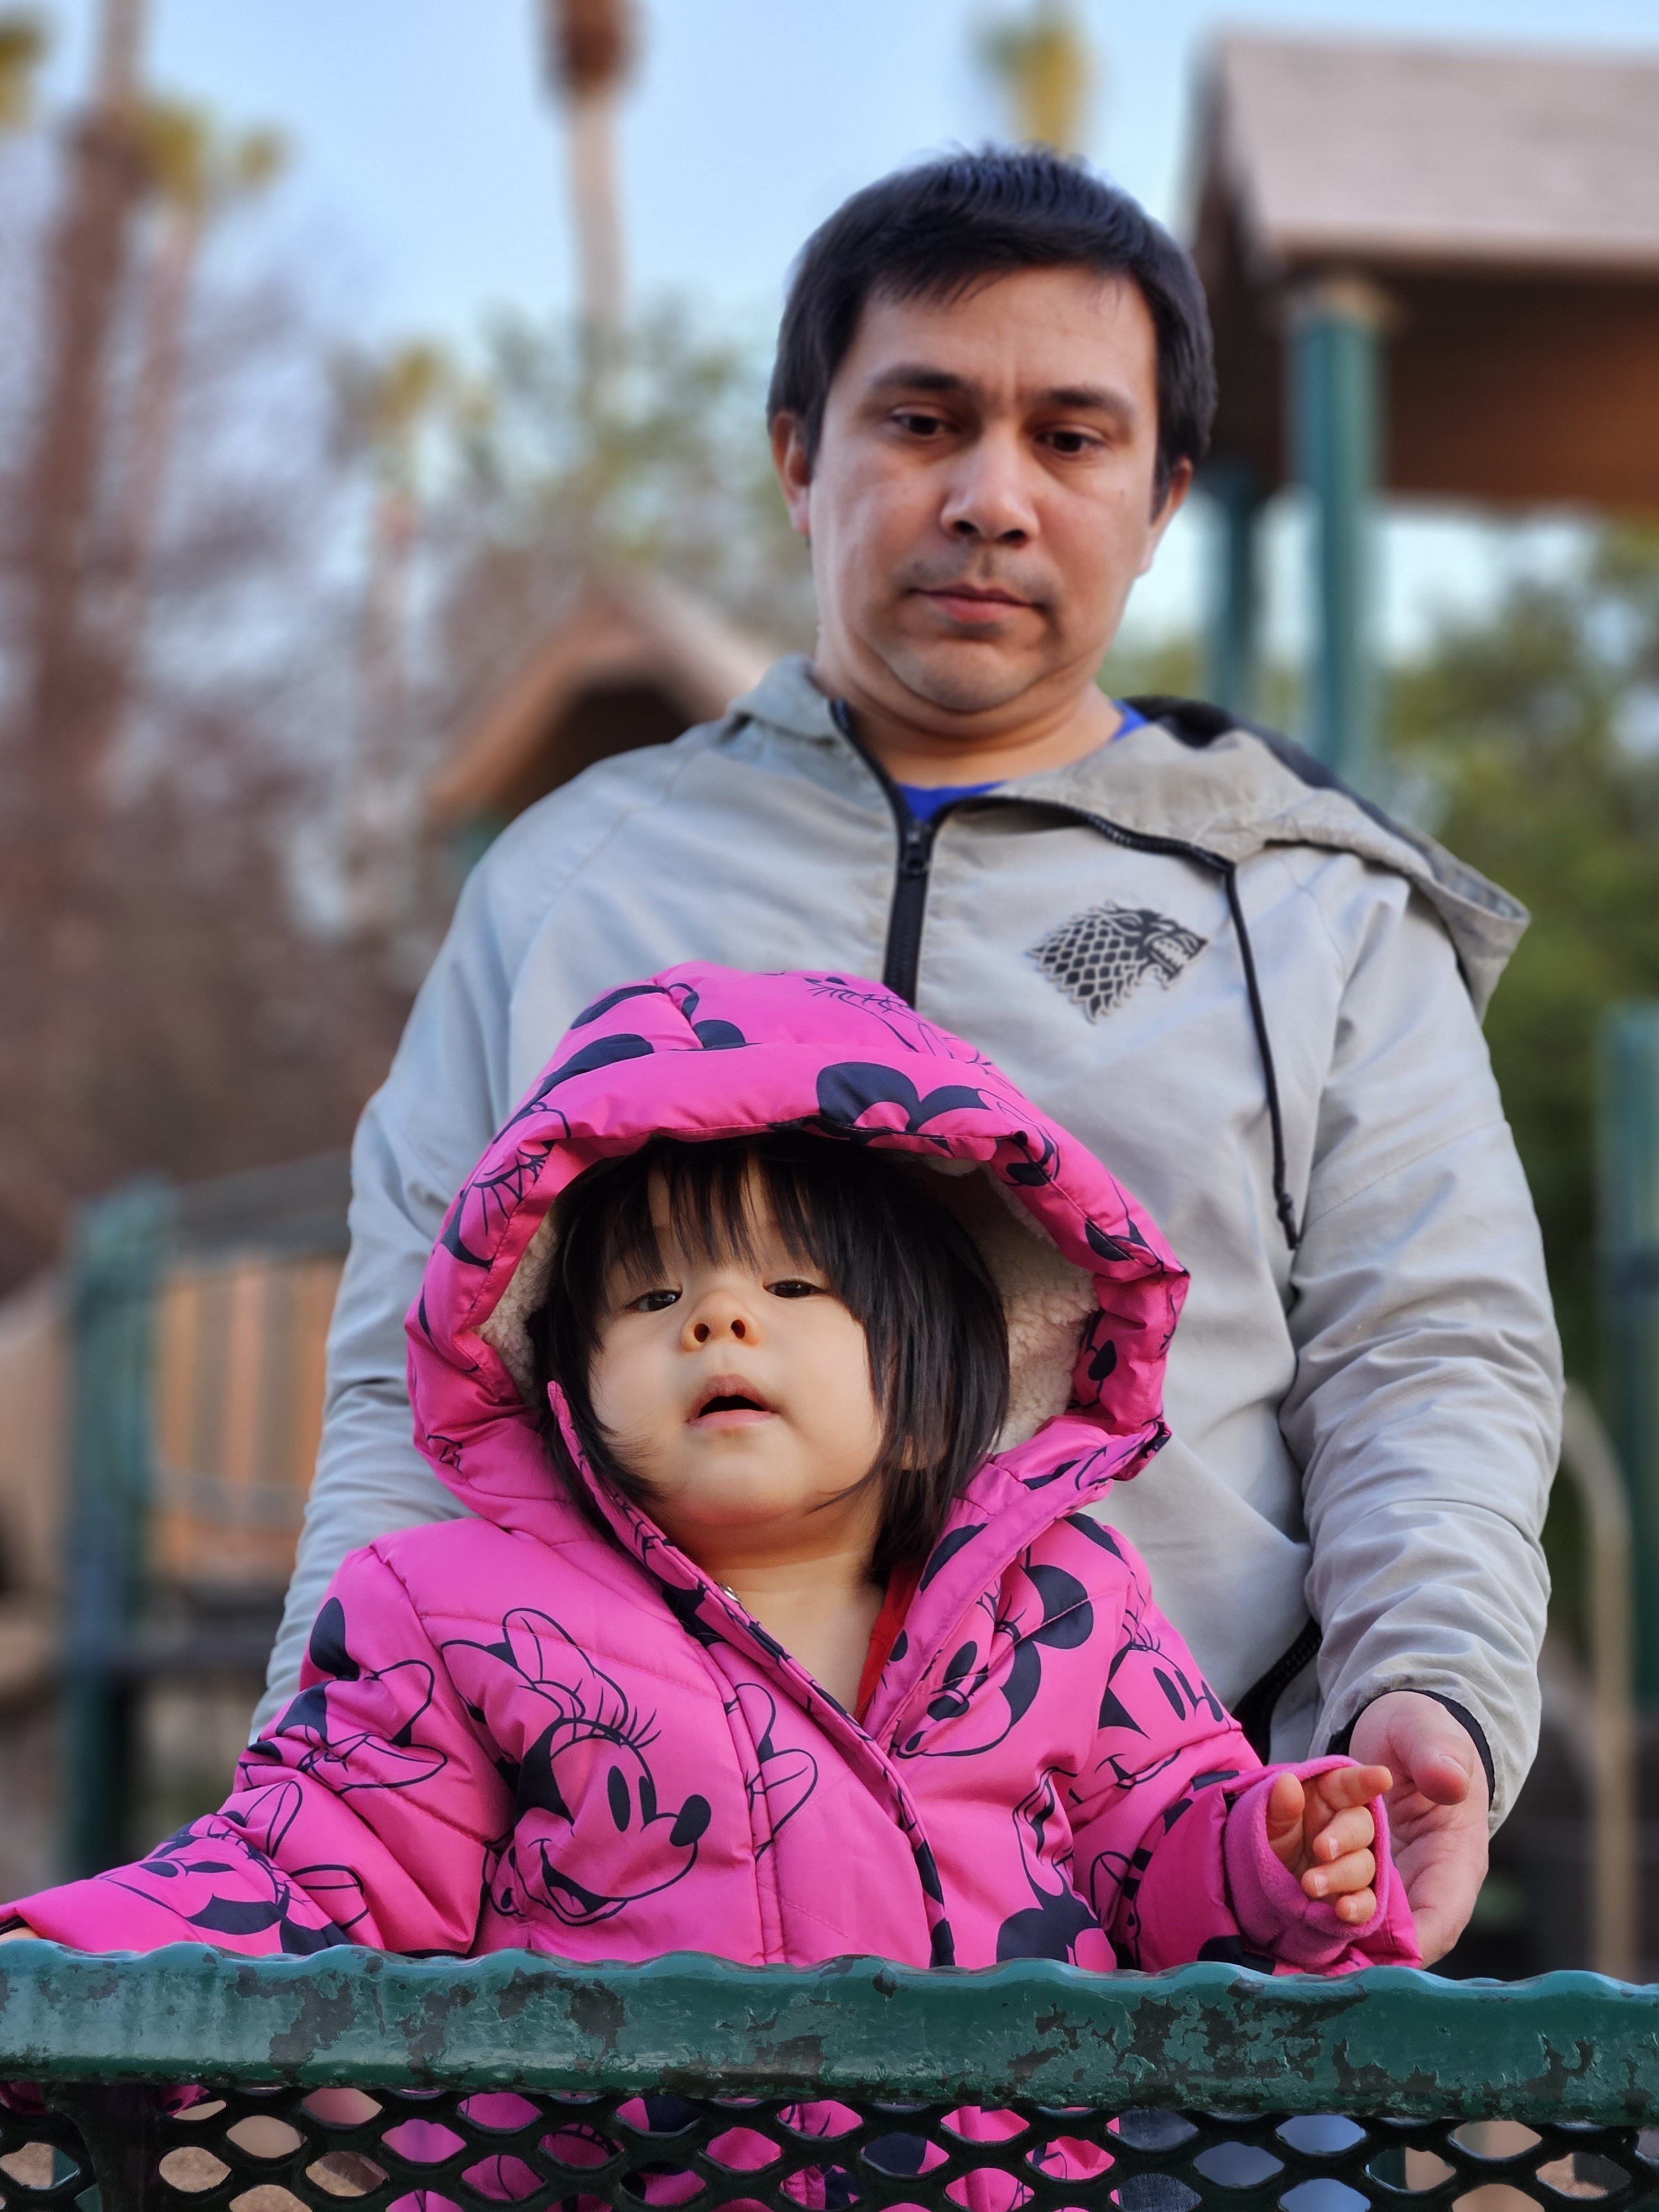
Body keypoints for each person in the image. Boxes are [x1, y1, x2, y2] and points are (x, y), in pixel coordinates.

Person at [259, 148, 1561, 1965]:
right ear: (802, 454)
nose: (992, 497)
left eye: (1074, 438)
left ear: (1167, 489)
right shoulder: (574, 881)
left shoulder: (1319, 913)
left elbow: (1428, 1349)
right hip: (617, 1959)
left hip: (1192, 1930)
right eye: (924, 419)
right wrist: (315, 1794)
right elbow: (423, 1383)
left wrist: (1422, 1693)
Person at [2, 967, 1416, 1976]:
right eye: (651, 1297)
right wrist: (72, 1960)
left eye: (796, 1285)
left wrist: (1273, 1857)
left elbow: (1160, 1842)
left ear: (932, 1400)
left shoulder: (1063, 1606)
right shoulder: (456, 1613)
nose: (720, 1320)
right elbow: (316, 1860)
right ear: (564, 1384)